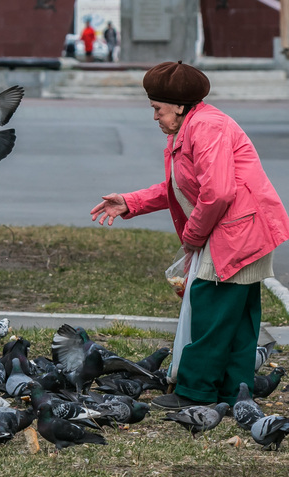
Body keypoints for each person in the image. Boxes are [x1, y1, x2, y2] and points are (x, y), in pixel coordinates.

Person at [90, 61, 289, 409]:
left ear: (179, 106)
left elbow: (218, 193)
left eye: (157, 109)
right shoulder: (191, 127)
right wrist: (129, 202)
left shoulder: (205, 128)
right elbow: (181, 187)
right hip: (244, 228)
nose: (154, 117)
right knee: (238, 320)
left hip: (236, 231)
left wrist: (193, 238)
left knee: (210, 312)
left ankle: (194, 393)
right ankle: (233, 395)